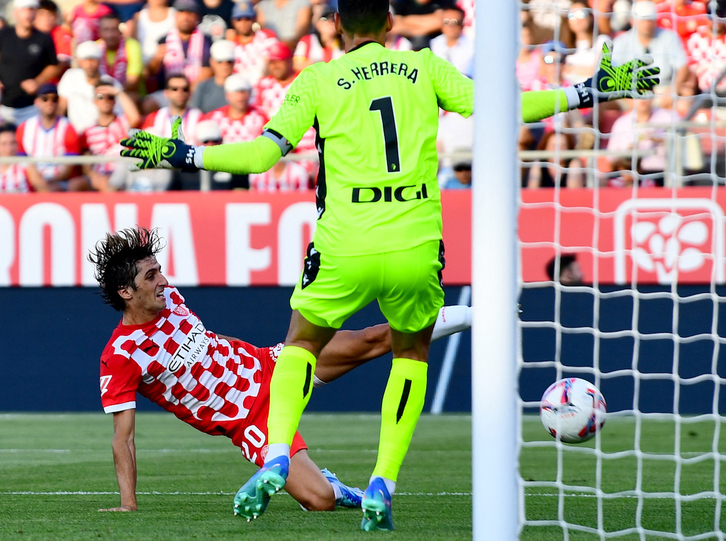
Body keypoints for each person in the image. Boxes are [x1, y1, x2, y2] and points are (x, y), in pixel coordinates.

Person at [120, 1, 660, 531]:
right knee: (410, 354)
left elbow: (260, 157)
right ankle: (382, 482)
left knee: (302, 344)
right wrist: (588, 90)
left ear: (335, 25)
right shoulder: (423, 67)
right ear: (389, 23)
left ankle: (278, 454)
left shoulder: (317, 79)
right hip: (414, 241)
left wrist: (180, 152)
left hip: (344, 242)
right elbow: (500, 107)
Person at [89, 226, 471, 513]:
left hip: (271, 365)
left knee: (374, 339)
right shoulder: (119, 356)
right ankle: (337, 487)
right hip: (249, 421)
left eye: (159, 270)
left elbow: (200, 342)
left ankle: (478, 314)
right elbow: (122, 438)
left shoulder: (170, 299)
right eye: (151, 276)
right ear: (126, 292)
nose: (164, 281)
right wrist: (128, 504)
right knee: (319, 501)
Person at [0, 0, 61, 126]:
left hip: (31, 107)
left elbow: (53, 66)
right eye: (24, 10)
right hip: (4, 106)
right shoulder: (4, 35)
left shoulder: (43, 38)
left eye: (32, 10)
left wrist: (37, 81)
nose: (28, 15)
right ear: (15, 13)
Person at [17, 82, 87, 190]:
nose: (50, 102)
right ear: (36, 102)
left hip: (60, 181)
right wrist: (39, 182)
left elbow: (68, 167)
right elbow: (22, 160)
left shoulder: (67, 127)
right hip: (31, 179)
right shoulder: (24, 127)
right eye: (45, 98)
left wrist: (52, 181)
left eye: (54, 99)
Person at [612, 0, 689, 94]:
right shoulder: (621, 42)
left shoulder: (670, 37)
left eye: (649, 19)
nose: (646, 24)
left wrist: (672, 91)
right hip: (629, 91)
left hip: (663, 90)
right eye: (642, 20)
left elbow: (682, 67)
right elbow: (613, 72)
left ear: (655, 20)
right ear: (633, 21)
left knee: (685, 96)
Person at [80, 78, 140, 191]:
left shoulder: (123, 123)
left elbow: (135, 118)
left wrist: (119, 92)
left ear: (115, 101)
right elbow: (86, 165)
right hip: (98, 175)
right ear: (94, 101)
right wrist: (94, 177)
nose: (106, 100)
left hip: (123, 172)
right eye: (100, 97)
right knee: (76, 184)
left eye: (110, 97)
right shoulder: (87, 132)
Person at [147, 0, 213, 96]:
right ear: (175, 16)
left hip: (196, 92)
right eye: (181, 12)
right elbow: (150, 72)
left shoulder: (206, 41)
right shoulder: (164, 40)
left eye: (190, 13)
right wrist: (156, 60)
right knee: (148, 105)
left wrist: (185, 92)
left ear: (197, 17)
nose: (185, 17)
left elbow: (207, 72)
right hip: (168, 93)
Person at [58, 40, 124, 134]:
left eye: (93, 59)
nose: (89, 64)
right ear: (80, 61)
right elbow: (61, 108)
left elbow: (119, 117)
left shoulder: (111, 84)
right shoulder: (70, 77)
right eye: (85, 59)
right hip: (75, 135)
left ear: (99, 61)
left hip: (101, 135)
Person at [225, 1, 279, 87]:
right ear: (233, 22)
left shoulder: (267, 37)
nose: (243, 23)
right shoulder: (231, 46)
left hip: (266, 86)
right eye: (239, 19)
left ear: (254, 19)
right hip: (241, 90)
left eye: (247, 18)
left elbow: (276, 63)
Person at [203, 74, 267, 143]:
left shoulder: (261, 118)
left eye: (244, 91)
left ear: (250, 93)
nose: (240, 96)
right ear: (227, 95)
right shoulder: (213, 118)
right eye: (236, 91)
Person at [141, 73, 203, 145]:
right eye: (175, 89)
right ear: (166, 93)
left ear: (190, 93)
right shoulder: (154, 118)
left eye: (185, 89)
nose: (180, 92)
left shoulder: (199, 117)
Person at [97, 12, 143, 95]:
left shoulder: (132, 45)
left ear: (121, 31)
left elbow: (133, 82)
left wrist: (112, 93)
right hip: (101, 96)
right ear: (99, 32)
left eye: (114, 29)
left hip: (126, 94)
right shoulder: (94, 47)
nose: (110, 34)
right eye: (106, 30)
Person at [189, 39, 236, 113]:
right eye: (220, 62)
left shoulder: (242, 86)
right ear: (212, 62)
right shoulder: (202, 87)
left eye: (229, 61)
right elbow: (194, 112)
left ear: (234, 63)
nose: (225, 65)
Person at [293, 4, 344, 72]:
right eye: (325, 19)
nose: (329, 22)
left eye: (333, 20)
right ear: (318, 24)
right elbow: (296, 65)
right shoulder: (307, 41)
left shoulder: (345, 44)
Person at [0, 123, 50, 192]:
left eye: (13, 143)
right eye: (4, 144)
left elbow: (44, 191)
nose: (9, 149)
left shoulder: (26, 166)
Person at [429, 4, 473, 77]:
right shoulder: (433, 44)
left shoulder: (472, 47)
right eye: (446, 22)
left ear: (462, 25)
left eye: (455, 22)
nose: (450, 26)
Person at [34, 0, 71, 83]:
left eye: (50, 14)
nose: (46, 18)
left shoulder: (61, 33)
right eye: (41, 14)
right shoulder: (29, 34)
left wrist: (36, 82)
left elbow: (61, 63)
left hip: (55, 83)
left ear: (56, 17)